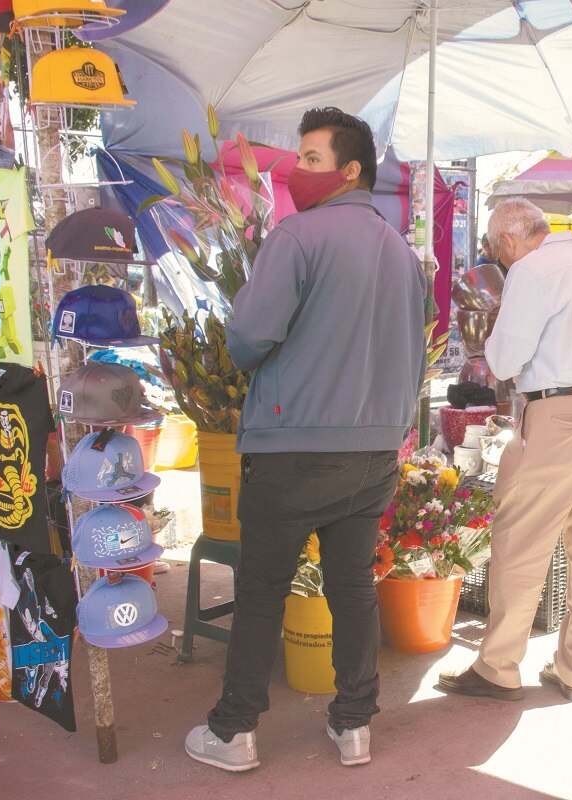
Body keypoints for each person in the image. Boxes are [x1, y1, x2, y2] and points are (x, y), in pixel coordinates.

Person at [184, 108, 426, 772]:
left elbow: (246, 340)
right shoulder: (403, 254)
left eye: (312, 159)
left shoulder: (297, 235)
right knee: (350, 587)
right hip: (373, 450)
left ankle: (233, 732)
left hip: (294, 445)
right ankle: (353, 725)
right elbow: (415, 355)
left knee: (261, 588)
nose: (297, 169)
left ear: (350, 170)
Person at [437, 198, 572, 704]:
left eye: (498, 252)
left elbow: (502, 359)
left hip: (556, 416)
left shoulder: (532, 270)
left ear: (507, 241)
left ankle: (499, 665)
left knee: (520, 540)